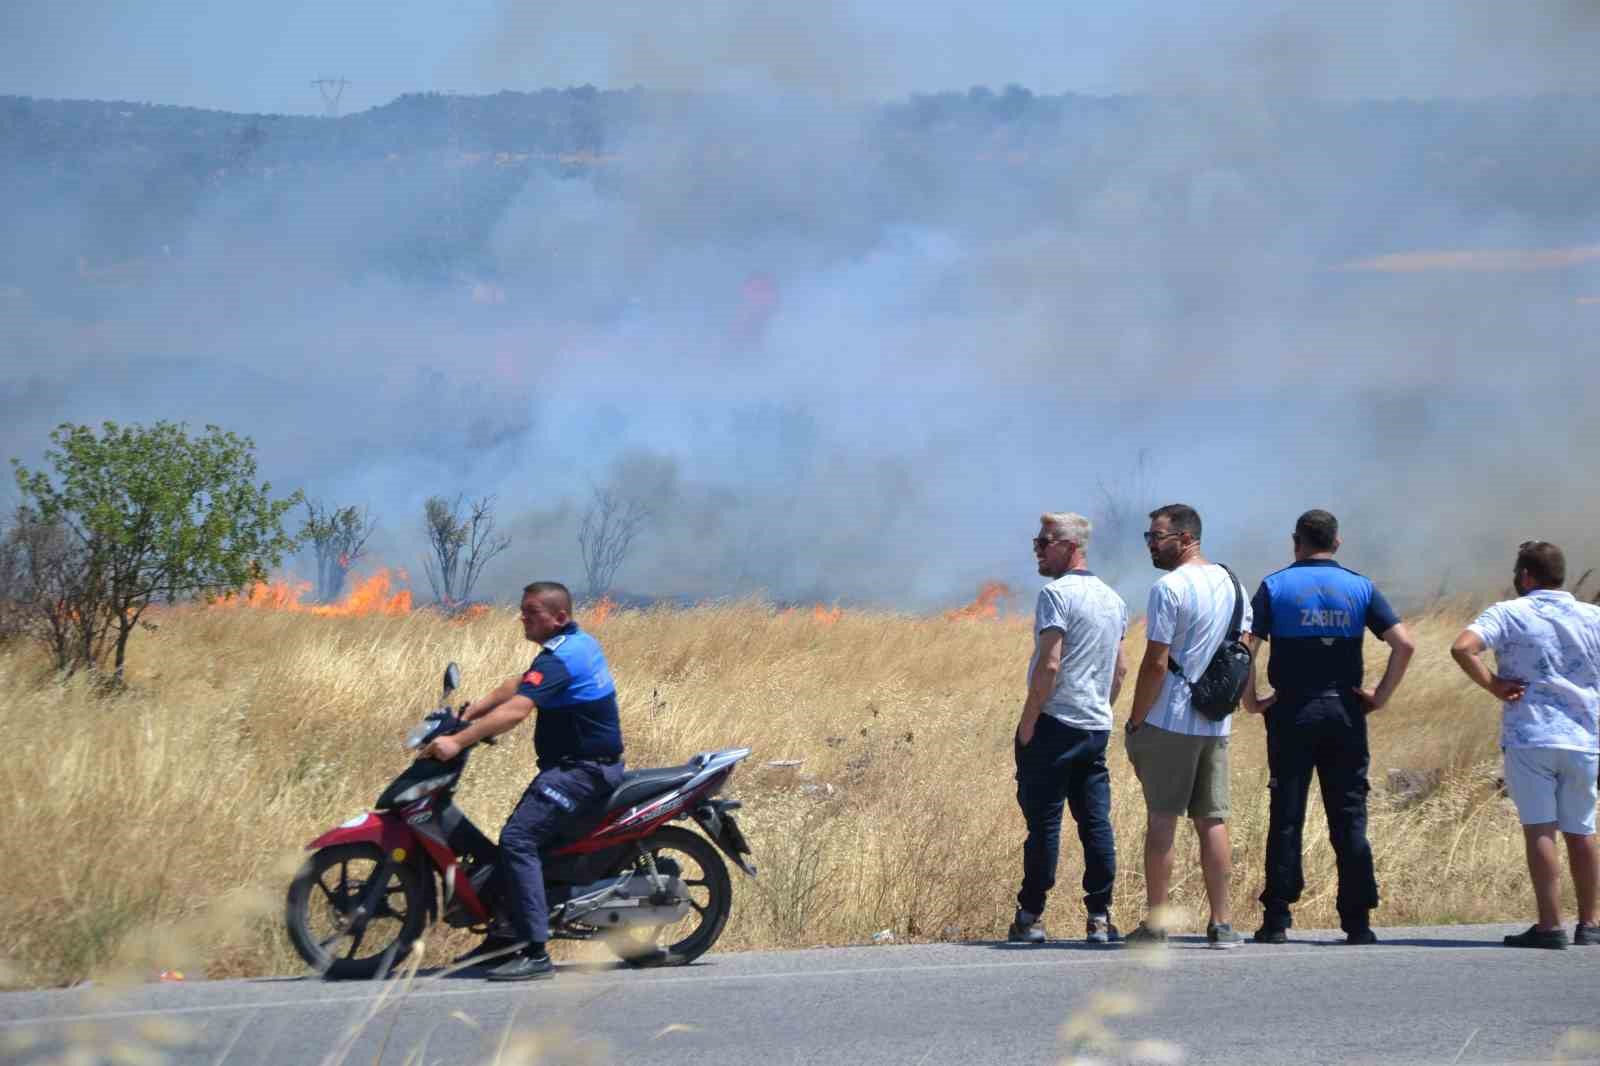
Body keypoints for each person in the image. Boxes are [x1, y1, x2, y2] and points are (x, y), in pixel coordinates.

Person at [417, 581, 626, 980]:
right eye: (523, 609)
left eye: (532, 611)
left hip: (583, 771)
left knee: (518, 840)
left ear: (558, 617)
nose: (523, 617)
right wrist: (471, 711)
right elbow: (517, 684)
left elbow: (516, 710)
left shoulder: (561, 658)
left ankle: (534, 951)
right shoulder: (569, 647)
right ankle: (504, 935)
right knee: (519, 840)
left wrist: (457, 741)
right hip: (576, 766)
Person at [1242, 509, 1414, 945]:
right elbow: (1404, 644)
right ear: (1336, 543)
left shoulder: (1275, 586)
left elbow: (1247, 647)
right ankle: (1357, 920)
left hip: (1292, 713)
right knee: (1349, 815)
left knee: (1286, 815)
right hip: (1345, 713)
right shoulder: (1360, 587)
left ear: (1295, 540)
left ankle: (1277, 918)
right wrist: (1379, 696)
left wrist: (1252, 700)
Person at [1450, 541, 1600, 949]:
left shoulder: (1509, 613)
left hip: (1531, 735)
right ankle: (1590, 923)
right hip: (1584, 737)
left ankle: (1550, 926)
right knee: (1582, 830)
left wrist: (1493, 684)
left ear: (1525, 577)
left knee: (1541, 828)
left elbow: (1463, 647)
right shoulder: (1593, 616)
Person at [1123, 503, 1250, 948]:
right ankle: (1223, 923)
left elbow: (1155, 663)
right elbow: (1245, 650)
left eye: (1156, 536)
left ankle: (1157, 924)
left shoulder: (1168, 587)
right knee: (1212, 820)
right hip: (1216, 723)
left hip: (1170, 717)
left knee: (1162, 819)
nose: (1150, 544)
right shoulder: (1235, 584)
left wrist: (1137, 719)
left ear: (1186, 537)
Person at [1009, 512, 1129, 945]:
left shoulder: (1055, 595)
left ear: (1070, 546)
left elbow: (1051, 662)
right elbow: (1120, 671)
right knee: (1095, 823)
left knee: (1044, 825)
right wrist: (1101, 709)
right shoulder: (1113, 599)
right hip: (1096, 728)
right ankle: (1099, 918)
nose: (1037, 548)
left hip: (1054, 725)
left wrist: (1028, 721)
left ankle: (1031, 917)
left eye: (1045, 541)